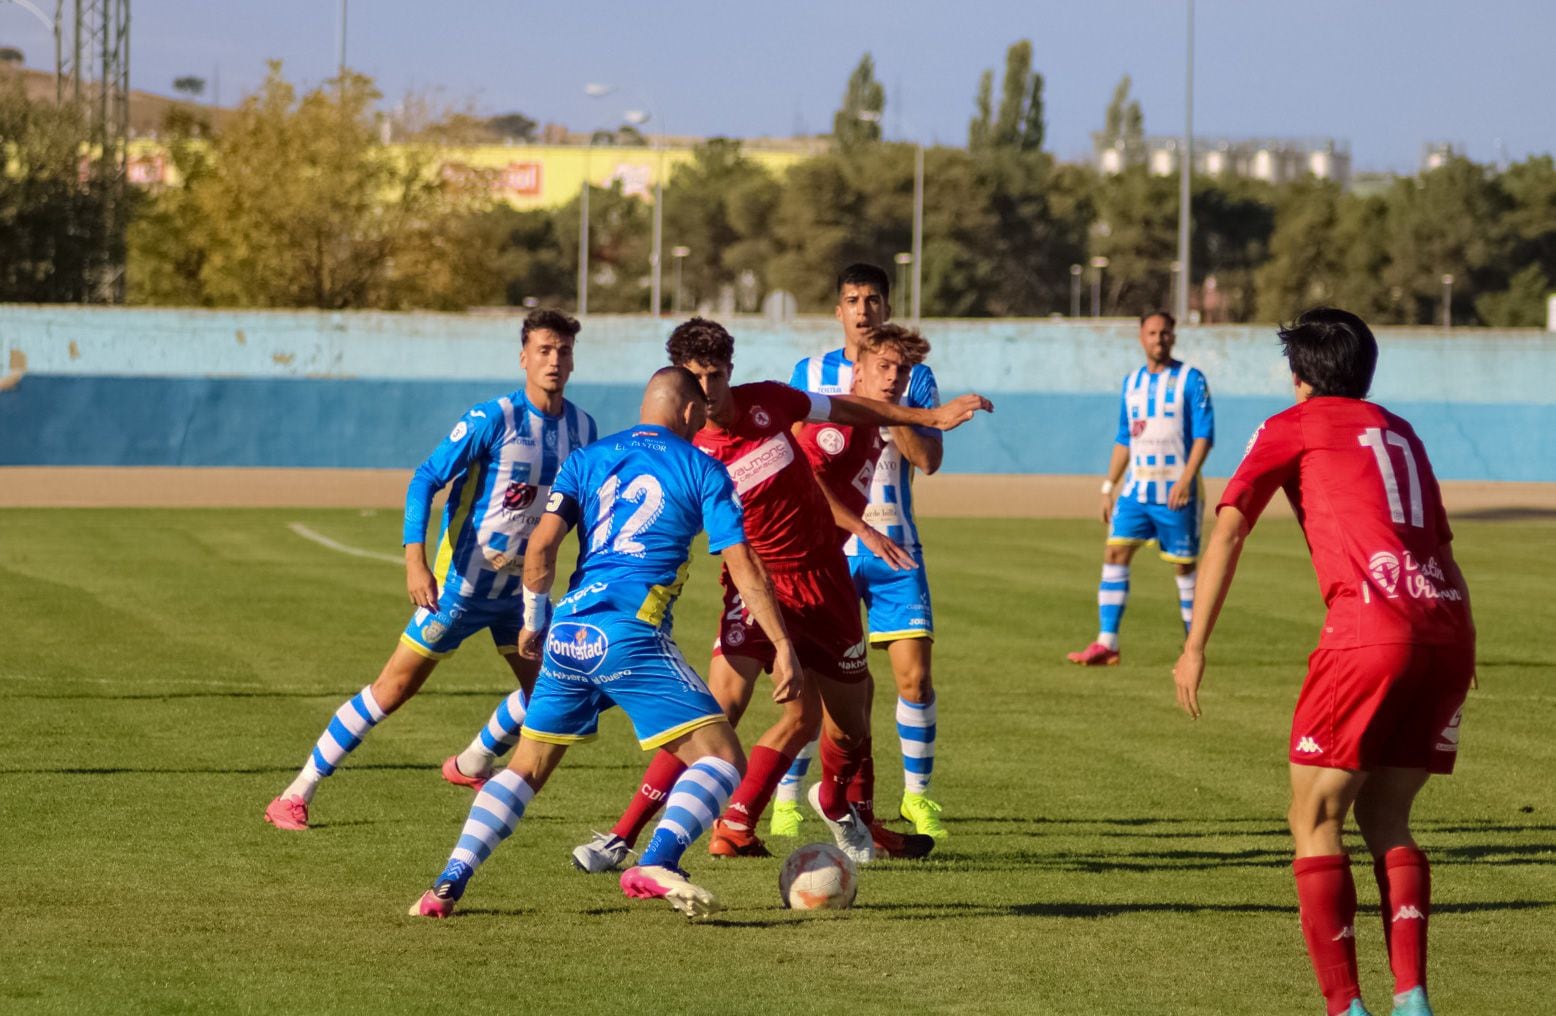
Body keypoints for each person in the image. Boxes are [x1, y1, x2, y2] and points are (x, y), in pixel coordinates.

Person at [569, 317, 991, 872]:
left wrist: (927, 416)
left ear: (731, 373)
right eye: (694, 379)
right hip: (754, 585)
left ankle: (838, 804)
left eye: (715, 376)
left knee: (850, 720)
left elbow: (848, 408)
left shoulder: (770, 402)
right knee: (715, 711)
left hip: (823, 582)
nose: (706, 391)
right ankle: (621, 837)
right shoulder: (682, 450)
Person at [411, 366, 801, 920]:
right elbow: (743, 564)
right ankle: (658, 859)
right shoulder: (704, 468)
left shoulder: (588, 459)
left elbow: (542, 546)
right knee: (720, 758)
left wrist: (534, 620)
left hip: (570, 631)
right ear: (690, 412)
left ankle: (447, 882)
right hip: (631, 633)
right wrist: (782, 643)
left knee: (525, 769)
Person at [1172, 308, 1475, 1016]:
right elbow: (1442, 549)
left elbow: (1228, 532)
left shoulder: (1293, 425)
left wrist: (1193, 646)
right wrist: (1465, 647)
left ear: (1301, 376)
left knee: (1313, 818)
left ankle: (1345, 1007)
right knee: (1389, 817)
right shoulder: (1401, 430)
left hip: (1371, 632)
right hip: (1447, 628)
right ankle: (1413, 999)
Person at [264, 309, 596, 830]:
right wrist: (415, 561)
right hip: (458, 589)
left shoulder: (583, 428)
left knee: (553, 693)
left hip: (519, 595)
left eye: (564, 351)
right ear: (524, 357)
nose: (555, 360)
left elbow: (578, 508)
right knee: (392, 691)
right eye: (545, 350)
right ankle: (296, 792)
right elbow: (425, 478)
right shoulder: (493, 419)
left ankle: (471, 763)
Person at [782, 263, 951, 842]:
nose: (863, 309)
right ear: (838, 310)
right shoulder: (808, 373)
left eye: (873, 299)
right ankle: (787, 798)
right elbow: (793, 459)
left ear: (887, 307)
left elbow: (928, 461)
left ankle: (919, 800)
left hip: (894, 542)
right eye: (852, 299)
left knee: (914, 679)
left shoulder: (915, 377)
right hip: (827, 544)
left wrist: (894, 403)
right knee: (807, 684)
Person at [1069, 310, 1214, 667]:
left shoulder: (1191, 380)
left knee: (1184, 567)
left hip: (1176, 490)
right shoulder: (1131, 383)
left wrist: (1186, 479)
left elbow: (1203, 435)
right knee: (1115, 553)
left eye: (1165, 333)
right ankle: (1107, 643)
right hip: (1137, 491)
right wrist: (1108, 487)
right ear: (1141, 337)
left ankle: (1192, 646)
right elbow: (1124, 438)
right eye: (1152, 333)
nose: (1158, 339)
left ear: (1173, 337)